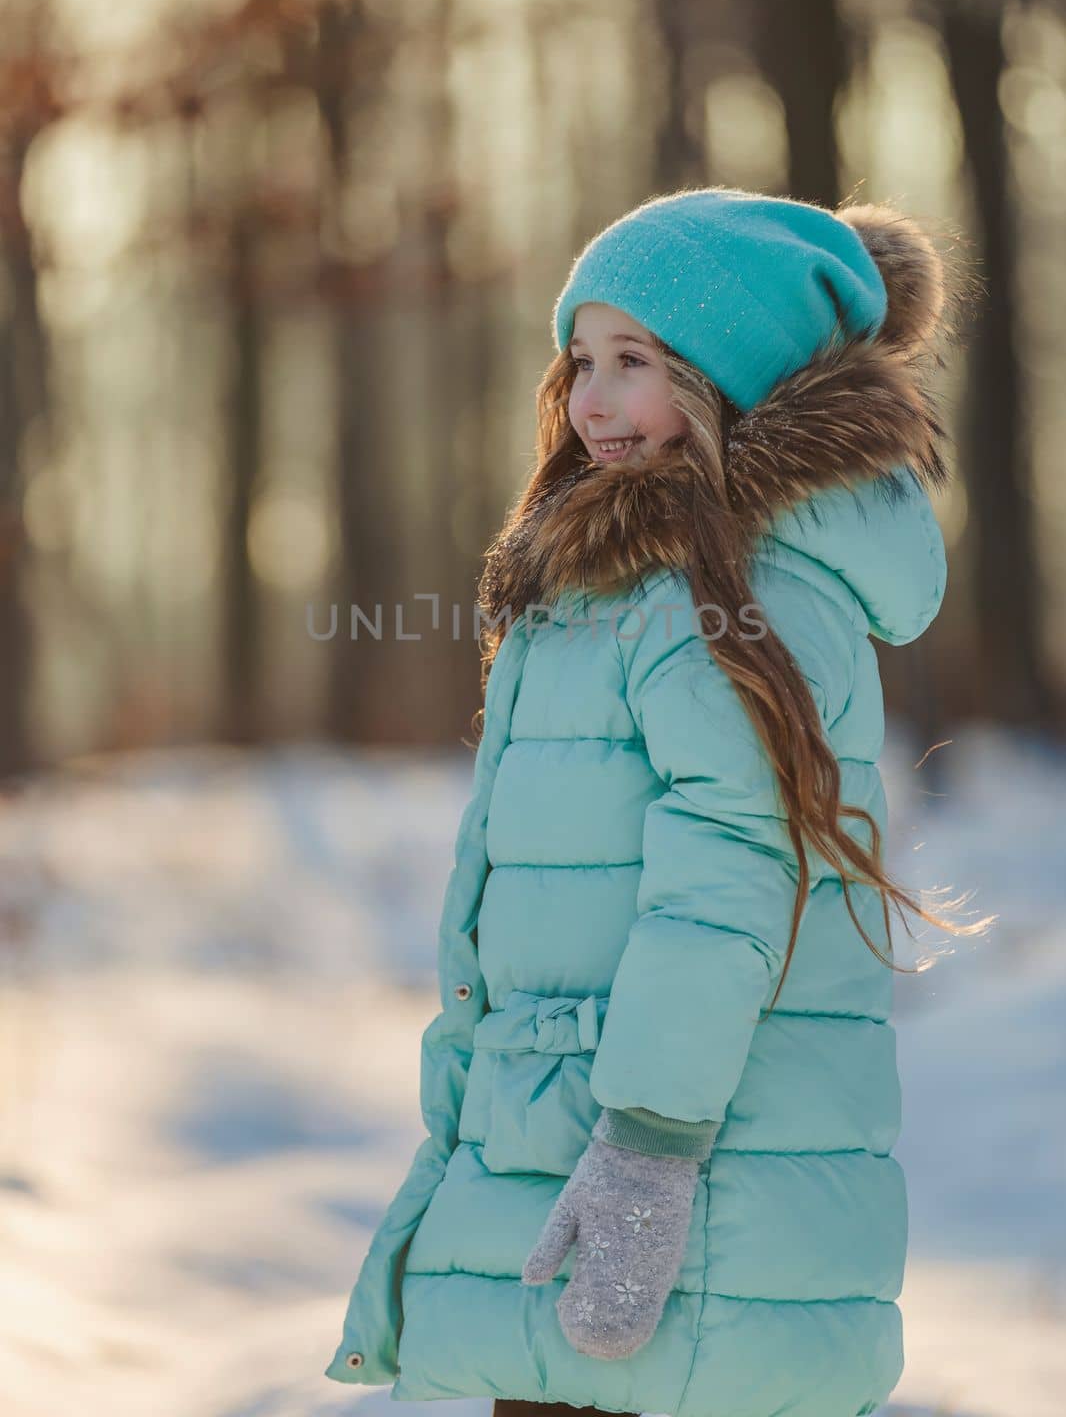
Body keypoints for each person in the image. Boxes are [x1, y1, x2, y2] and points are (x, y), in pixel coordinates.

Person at [324, 188, 991, 1417]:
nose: (589, 397)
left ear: (727, 377)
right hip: (567, 1135)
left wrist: (647, 1148)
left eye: (634, 361)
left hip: (694, 1170)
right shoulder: (625, 578)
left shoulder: (738, 594)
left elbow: (729, 876)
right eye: (581, 358)